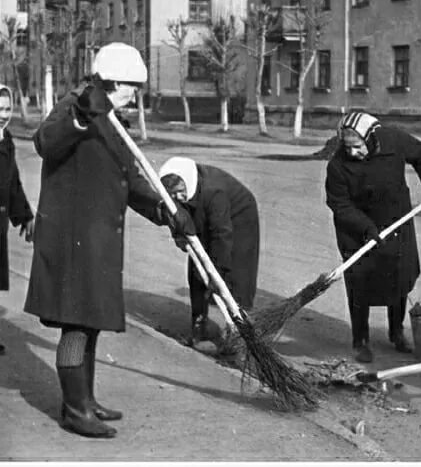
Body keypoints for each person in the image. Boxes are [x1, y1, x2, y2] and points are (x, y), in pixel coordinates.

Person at [23, 43, 190, 439]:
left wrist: (165, 210)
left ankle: (86, 400)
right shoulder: (75, 106)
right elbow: (45, 142)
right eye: (132, 86)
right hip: (71, 239)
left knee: (90, 323)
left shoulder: (113, 121)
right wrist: (80, 116)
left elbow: (130, 181)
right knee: (76, 326)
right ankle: (74, 410)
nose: (137, 94)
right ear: (113, 81)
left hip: (96, 241)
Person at [325, 111, 421, 363]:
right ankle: (360, 340)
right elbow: (339, 204)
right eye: (347, 147)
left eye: (357, 147)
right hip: (356, 228)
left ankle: (396, 333)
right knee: (360, 283)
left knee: (399, 274)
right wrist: (365, 226)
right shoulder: (337, 166)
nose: (352, 152)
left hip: (395, 219)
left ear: (371, 137)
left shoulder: (393, 140)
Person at [159, 156, 260, 345]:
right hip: (204, 208)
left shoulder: (214, 190)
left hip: (238, 216)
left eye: (180, 192)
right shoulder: (176, 190)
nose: (178, 197)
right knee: (197, 269)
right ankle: (199, 326)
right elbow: (172, 213)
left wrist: (218, 272)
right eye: (173, 194)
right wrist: (178, 235)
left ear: (187, 182)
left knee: (237, 271)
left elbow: (221, 233)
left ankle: (239, 332)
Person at [0, 84, 34, 354]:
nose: (3, 114)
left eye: (7, 108)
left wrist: (24, 217)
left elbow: (13, 183)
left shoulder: (6, 139)